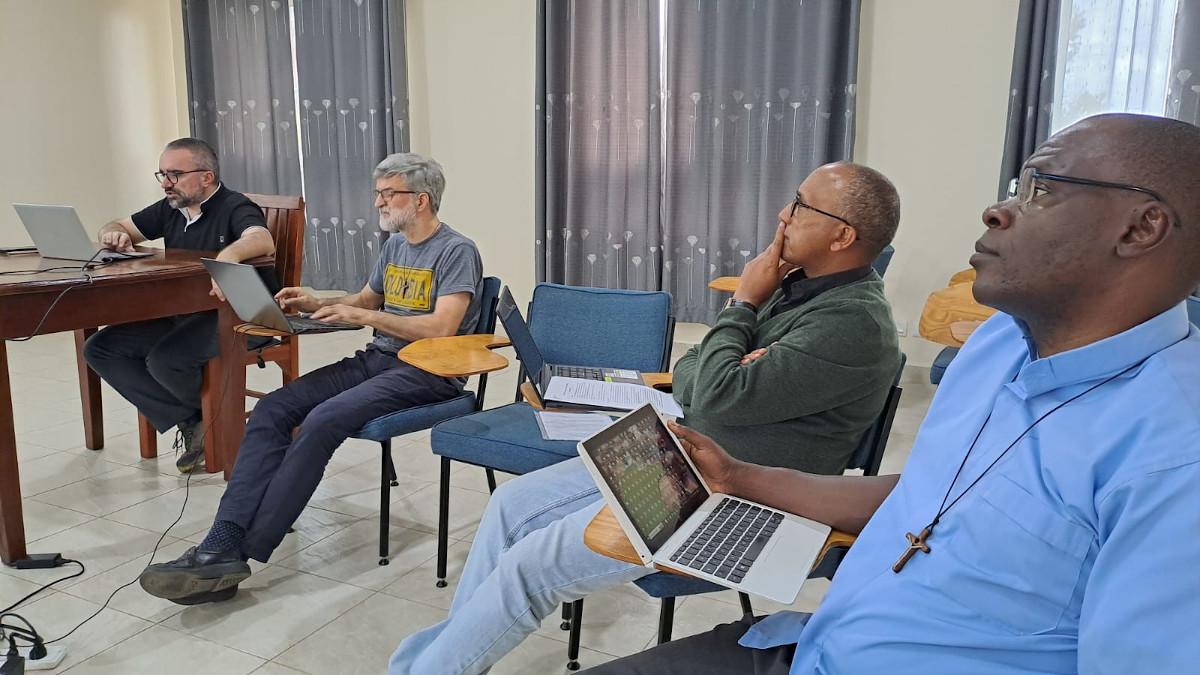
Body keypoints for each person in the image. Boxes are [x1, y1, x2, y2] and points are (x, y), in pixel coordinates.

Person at [580, 113, 1200, 674]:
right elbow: (929, 495)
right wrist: (741, 477)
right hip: (815, 645)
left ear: (1141, 227)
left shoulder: (1174, 455)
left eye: (1040, 189)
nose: (996, 210)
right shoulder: (998, 345)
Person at [390, 161, 904, 674]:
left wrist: (743, 303)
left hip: (742, 497)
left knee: (530, 565)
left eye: (800, 205)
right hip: (682, 458)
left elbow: (715, 390)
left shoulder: (852, 322)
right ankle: (433, 665)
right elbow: (691, 369)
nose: (783, 214)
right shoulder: (801, 287)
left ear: (842, 235)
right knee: (510, 504)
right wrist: (728, 359)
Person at [138, 152, 485, 605]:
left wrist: (364, 316)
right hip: (381, 359)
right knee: (273, 407)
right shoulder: (396, 246)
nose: (378, 202)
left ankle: (235, 553)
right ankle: (223, 537)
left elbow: (441, 328)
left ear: (421, 200)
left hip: (430, 371)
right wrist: (316, 301)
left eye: (388, 193)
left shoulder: (457, 250)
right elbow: (366, 299)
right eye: (377, 193)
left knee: (323, 419)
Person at [84, 137, 275, 473]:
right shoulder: (171, 208)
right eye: (162, 174)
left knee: (165, 360)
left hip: (245, 314)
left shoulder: (234, 206)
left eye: (174, 174)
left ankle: (209, 423)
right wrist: (112, 233)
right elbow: (119, 225)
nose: (166, 183)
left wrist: (228, 256)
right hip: (186, 312)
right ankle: (196, 419)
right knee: (101, 348)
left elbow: (261, 238)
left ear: (206, 177)